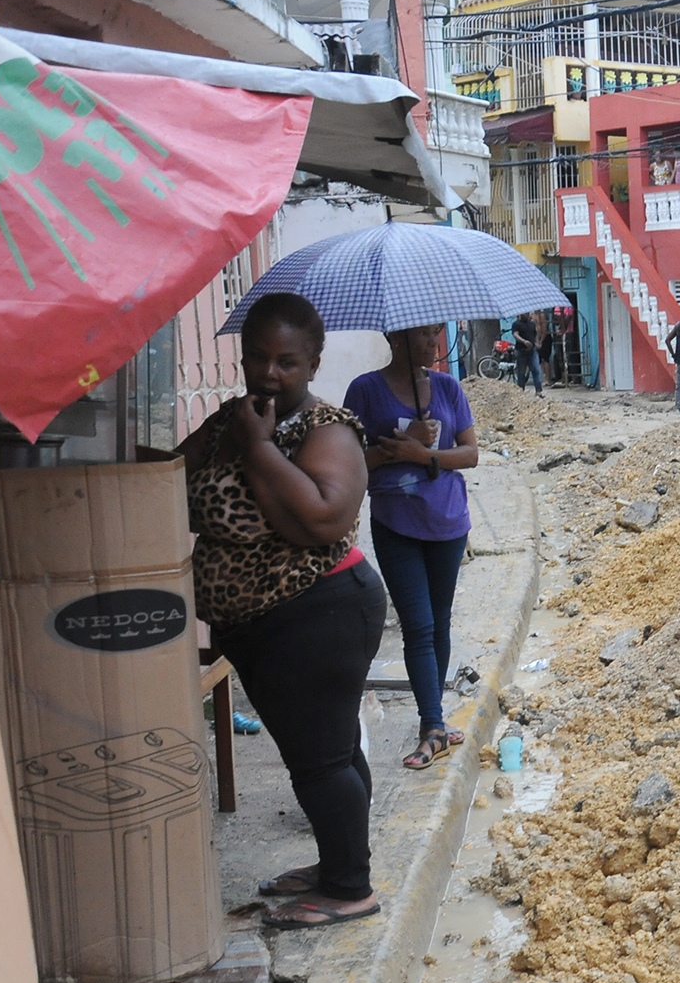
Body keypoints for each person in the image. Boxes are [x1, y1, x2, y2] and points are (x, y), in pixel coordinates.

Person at [181, 293, 384, 929]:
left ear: (314, 362)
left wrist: (260, 448)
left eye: (287, 361)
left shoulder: (328, 429)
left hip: (317, 615)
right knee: (330, 750)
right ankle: (337, 864)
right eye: (258, 357)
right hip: (269, 626)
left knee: (319, 760)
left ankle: (351, 888)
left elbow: (326, 519)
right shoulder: (228, 422)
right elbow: (167, 480)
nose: (269, 373)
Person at [347, 326, 480, 773]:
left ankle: (436, 719)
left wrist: (426, 455)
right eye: (423, 334)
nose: (433, 342)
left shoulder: (447, 386)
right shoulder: (365, 390)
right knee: (418, 625)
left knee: (438, 622)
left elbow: (471, 453)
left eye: (436, 332)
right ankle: (432, 727)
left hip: (448, 522)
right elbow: (346, 460)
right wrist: (394, 452)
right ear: (396, 337)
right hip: (395, 522)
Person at [511, 309, 543, 394]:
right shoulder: (516, 324)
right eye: (526, 313)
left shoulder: (531, 324)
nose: (527, 314)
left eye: (528, 313)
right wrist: (524, 341)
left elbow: (534, 335)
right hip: (521, 351)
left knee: (536, 370)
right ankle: (521, 391)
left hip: (532, 351)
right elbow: (516, 335)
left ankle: (538, 390)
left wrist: (537, 343)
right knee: (521, 372)